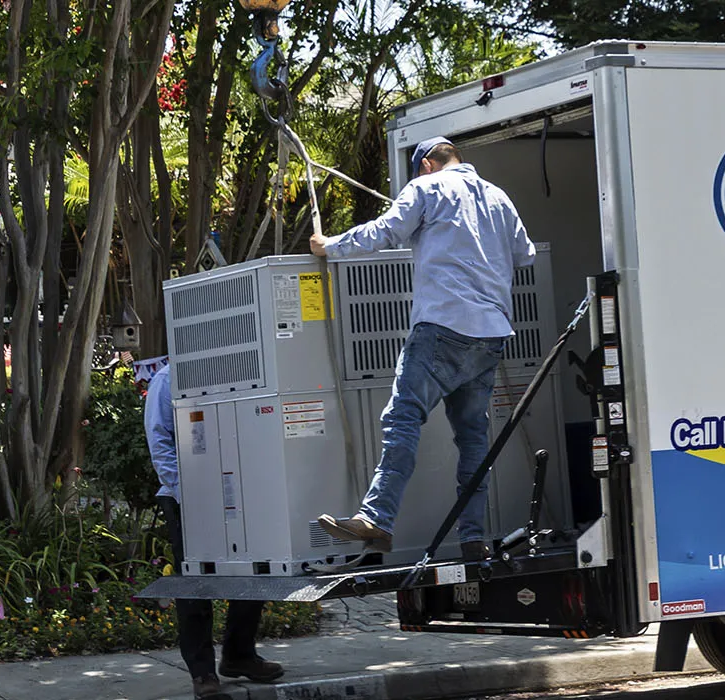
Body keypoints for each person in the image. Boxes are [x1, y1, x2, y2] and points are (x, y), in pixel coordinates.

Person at [308, 136, 537, 563]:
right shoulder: (499, 198)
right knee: (473, 440)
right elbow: (524, 254)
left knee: (403, 418)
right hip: (490, 337)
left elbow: (386, 231)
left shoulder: (426, 189)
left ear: (427, 165)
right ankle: (473, 537)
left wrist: (330, 246)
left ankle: (377, 517)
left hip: (442, 326)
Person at [146, 361, 284, 699]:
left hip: (235, 490)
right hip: (186, 499)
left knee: (254, 572)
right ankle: (202, 673)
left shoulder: (232, 368)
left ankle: (239, 655)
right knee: (196, 584)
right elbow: (159, 439)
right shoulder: (167, 378)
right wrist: (184, 493)